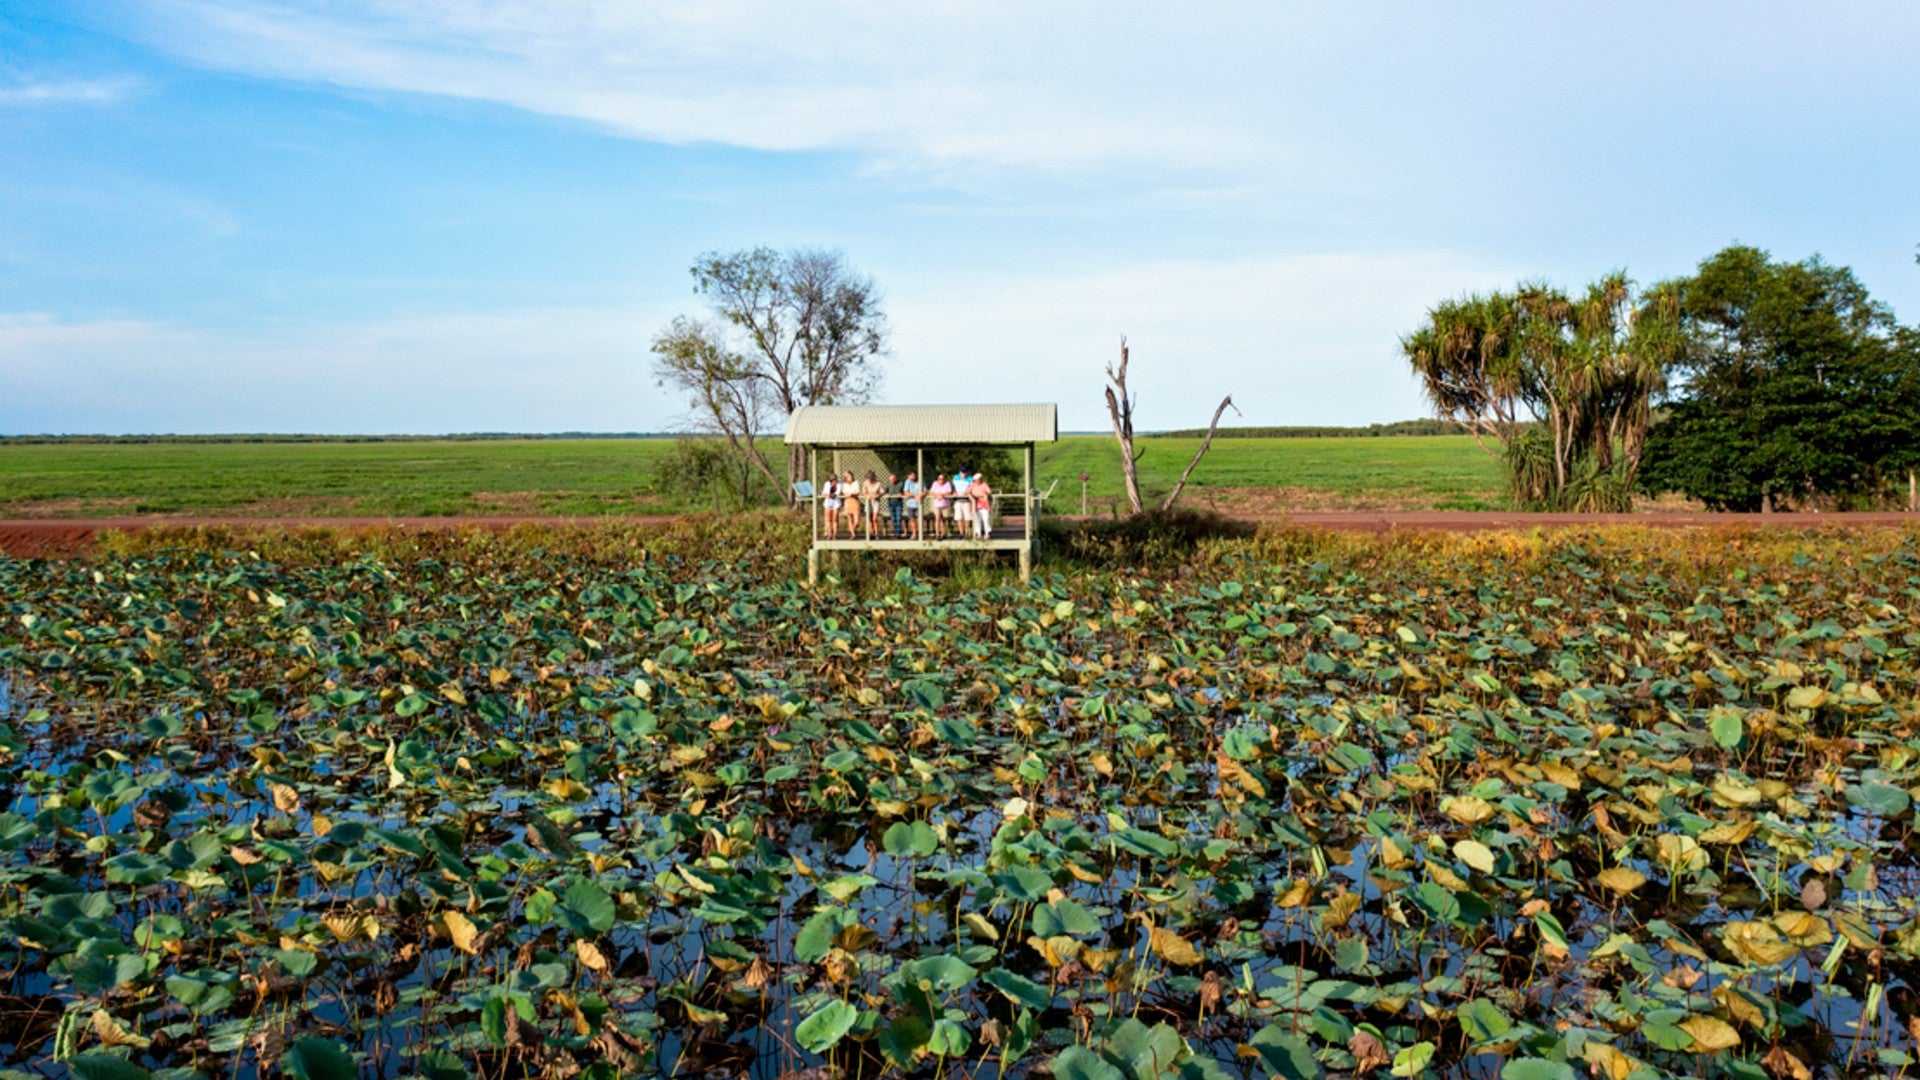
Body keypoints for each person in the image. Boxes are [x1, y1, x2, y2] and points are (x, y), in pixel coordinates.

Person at [969, 473, 993, 538]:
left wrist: (983, 495)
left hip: (984, 505)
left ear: (980, 479)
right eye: (975, 480)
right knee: (977, 519)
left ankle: (987, 533)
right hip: (976, 505)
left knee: (986, 519)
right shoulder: (972, 485)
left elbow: (989, 492)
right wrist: (973, 496)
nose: (976, 481)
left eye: (977, 480)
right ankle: (978, 533)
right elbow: (967, 492)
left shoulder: (984, 484)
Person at [950, 469, 972, 537]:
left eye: (965, 472)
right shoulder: (955, 477)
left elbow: (971, 487)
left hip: (967, 500)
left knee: (967, 518)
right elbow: (952, 487)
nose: (963, 473)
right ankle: (961, 533)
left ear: (967, 472)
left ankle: (967, 532)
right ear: (959, 472)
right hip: (957, 500)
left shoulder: (970, 478)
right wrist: (954, 492)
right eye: (962, 472)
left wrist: (968, 491)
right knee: (959, 517)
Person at [929, 474, 952, 538]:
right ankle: (937, 534)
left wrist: (942, 495)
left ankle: (943, 533)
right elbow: (931, 492)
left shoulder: (947, 483)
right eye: (939, 479)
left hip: (945, 504)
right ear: (937, 479)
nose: (941, 480)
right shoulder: (935, 483)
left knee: (944, 519)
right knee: (937, 519)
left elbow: (949, 492)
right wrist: (937, 495)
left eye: (942, 479)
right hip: (937, 504)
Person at [861, 472, 884, 538]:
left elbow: (882, 492)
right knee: (869, 519)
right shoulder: (865, 483)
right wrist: (867, 495)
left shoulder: (878, 483)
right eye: (868, 478)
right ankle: (872, 532)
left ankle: (877, 533)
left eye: (870, 478)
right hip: (868, 502)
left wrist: (877, 495)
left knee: (874, 518)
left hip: (875, 502)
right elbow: (863, 492)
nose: (869, 480)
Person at [838, 471, 861, 537]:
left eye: (849, 476)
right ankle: (853, 534)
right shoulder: (844, 484)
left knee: (856, 521)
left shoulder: (856, 482)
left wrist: (851, 493)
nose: (848, 477)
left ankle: (852, 529)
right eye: (847, 476)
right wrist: (849, 493)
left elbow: (857, 491)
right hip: (847, 501)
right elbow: (844, 492)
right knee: (850, 518)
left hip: (855, 501)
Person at [902, 472, 923, 539]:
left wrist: (921, 495)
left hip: (919, 504)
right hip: (910, 504)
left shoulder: (921, 481)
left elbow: (925, 491)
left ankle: (921, 534)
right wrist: (915, 495)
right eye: (911, 475)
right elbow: (906, 492)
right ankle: (914, 534)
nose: (913, 476)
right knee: (912, 519)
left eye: (914, 475)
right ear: (909, 476)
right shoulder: (907, 482)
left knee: (920, 519)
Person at [821, 473, 841, 539]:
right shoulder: (827, 484)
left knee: (834, 519)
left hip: (836, 503)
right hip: (828, 502)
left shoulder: (839, 484)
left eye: (835, 480)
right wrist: (827, 495)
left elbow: (836, 494)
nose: (834, 481)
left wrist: (829, 495)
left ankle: (835, 534)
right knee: (828, 519)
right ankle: (829, 533)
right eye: (832, 480)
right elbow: (824, 493)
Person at [886, 473, 905, 538]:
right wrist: (886, 495)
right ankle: (895, 532)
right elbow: (884, 492)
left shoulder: (901, 484)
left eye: (893, 479)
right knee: (893, 519)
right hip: (891, 503)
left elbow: (904, 492)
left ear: (896, 478)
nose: (892, 480)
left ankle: (898, 533)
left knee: (898, 518)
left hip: (898, 503)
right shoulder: (888, 485)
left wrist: (902, 494)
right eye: (891, 479)